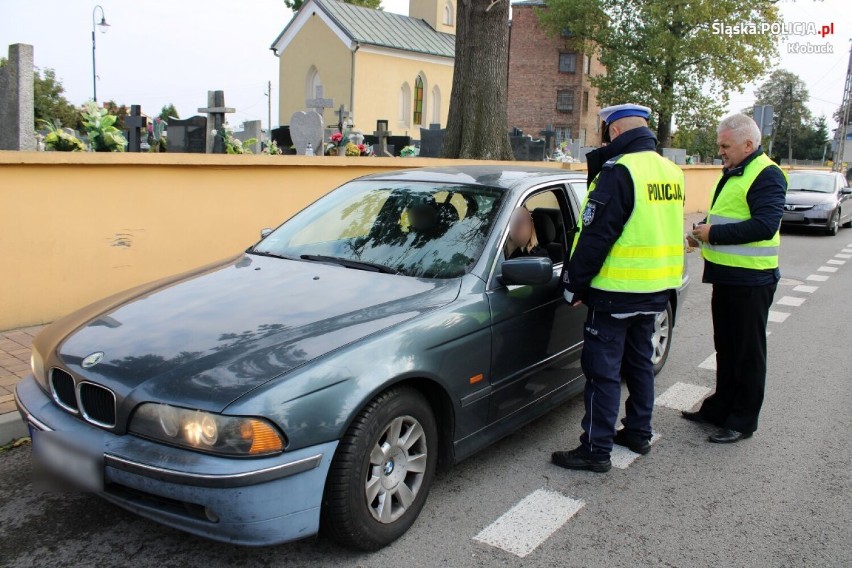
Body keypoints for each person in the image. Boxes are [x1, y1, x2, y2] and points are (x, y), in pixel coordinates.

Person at [552, 103, 685, 473]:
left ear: (613, 132)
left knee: (603, 372)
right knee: (640, 364)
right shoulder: (671, 171)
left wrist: (573, 285)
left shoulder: (619, 171)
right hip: (657, 289)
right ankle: (639, 433)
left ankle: (595, 450)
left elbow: (596, 237)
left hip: (617, 291)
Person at [684, 113, 786, 443]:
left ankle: (742, 420)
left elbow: (764, 225)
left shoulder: (767, 174)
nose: (721, 151)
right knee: (726, 349)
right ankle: (719, 408)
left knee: (747, 353)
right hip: (727, 277)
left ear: (748, 144)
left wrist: (714, 233)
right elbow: (725, 216)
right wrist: (702, 232)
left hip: (752, 281)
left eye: (725, 146)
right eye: (720, 146)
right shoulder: (734, 172)